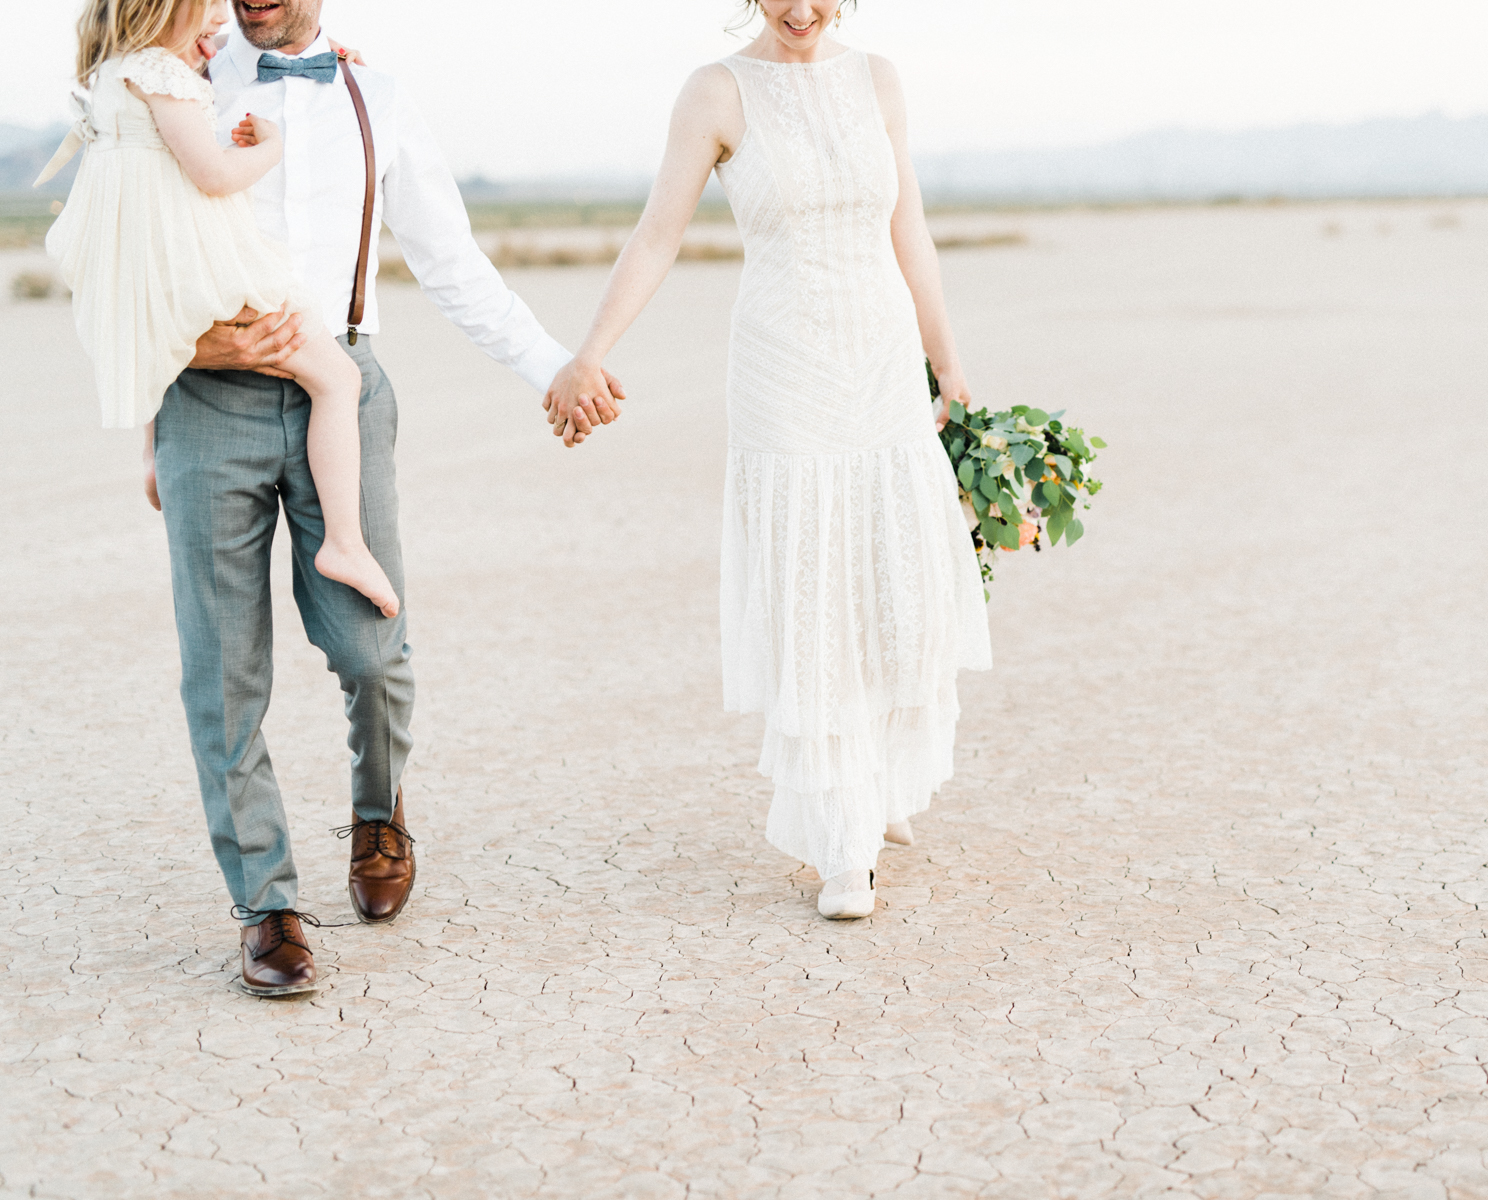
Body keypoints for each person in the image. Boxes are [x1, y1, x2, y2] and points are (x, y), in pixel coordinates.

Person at [51, 0, 615, 996]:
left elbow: (454, 268)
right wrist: (175, 373)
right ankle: (268, 908)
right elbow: (108, 246)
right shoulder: (170, 73)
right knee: (223, 676)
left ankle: (377, 811)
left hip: (341, 389)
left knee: (370, 646)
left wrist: (553, 368)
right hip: (203, 402)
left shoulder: (376, 99)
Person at [546, 0, 991, 919]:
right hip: (784, 368)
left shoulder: (879, 79)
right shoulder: (715, 92)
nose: (799, 9)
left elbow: (909, 230)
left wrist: (948, 363)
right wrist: (591, 350)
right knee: (813, 584)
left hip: (880, 359)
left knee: (889, 576)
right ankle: (841, 836)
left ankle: (877, 780)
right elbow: (657, 233)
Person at [44, 0, 399, 619]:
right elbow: (210, 175)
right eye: (205, 10)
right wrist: (270, 148)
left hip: (147, 264)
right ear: (166, 13)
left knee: (170, 341)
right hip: (205, 258)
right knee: (338, 378)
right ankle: (344, 544)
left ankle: (156, 459)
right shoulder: (167, 75)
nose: (218, 20)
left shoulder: (110, 75)